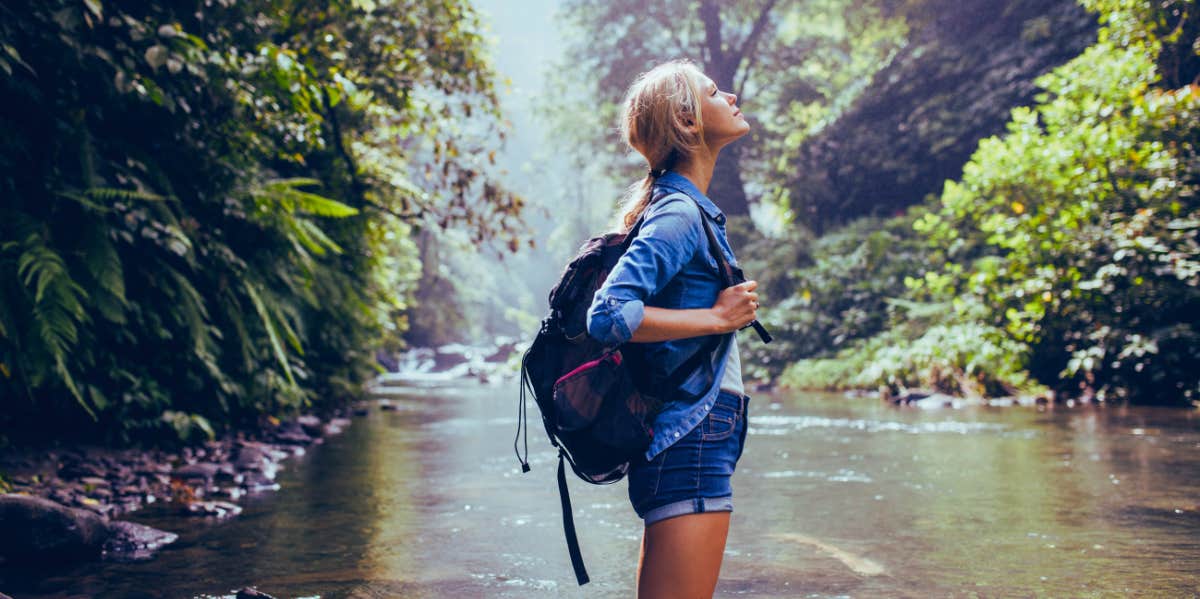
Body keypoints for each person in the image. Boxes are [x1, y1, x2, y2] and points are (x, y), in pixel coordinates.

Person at [586, 58, 759, 599]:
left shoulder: (688, 209)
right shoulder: (681, 214)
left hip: (695, 435)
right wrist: (717, 318)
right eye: (713, 91)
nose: (729, 95)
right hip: (692, 437)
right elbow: (608, 314)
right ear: (687, 122)